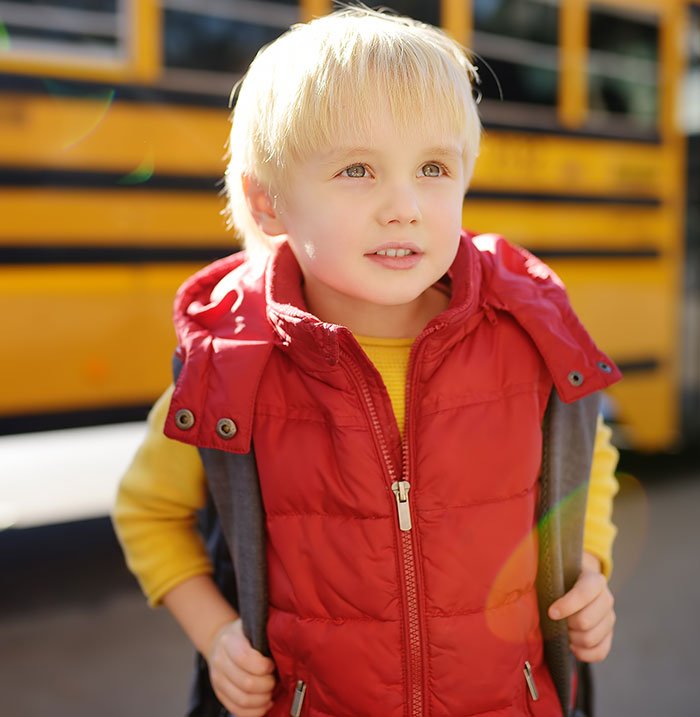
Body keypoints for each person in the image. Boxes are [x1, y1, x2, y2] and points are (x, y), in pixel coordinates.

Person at [113, 7, 621, 716]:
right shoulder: (231, 365)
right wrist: (217, 631)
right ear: (268, 204)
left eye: (434, 168)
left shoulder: (524, 342)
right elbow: (149, 510)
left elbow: (584, 457)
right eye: (357, 169)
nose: (405, 205)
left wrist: (588, 568)